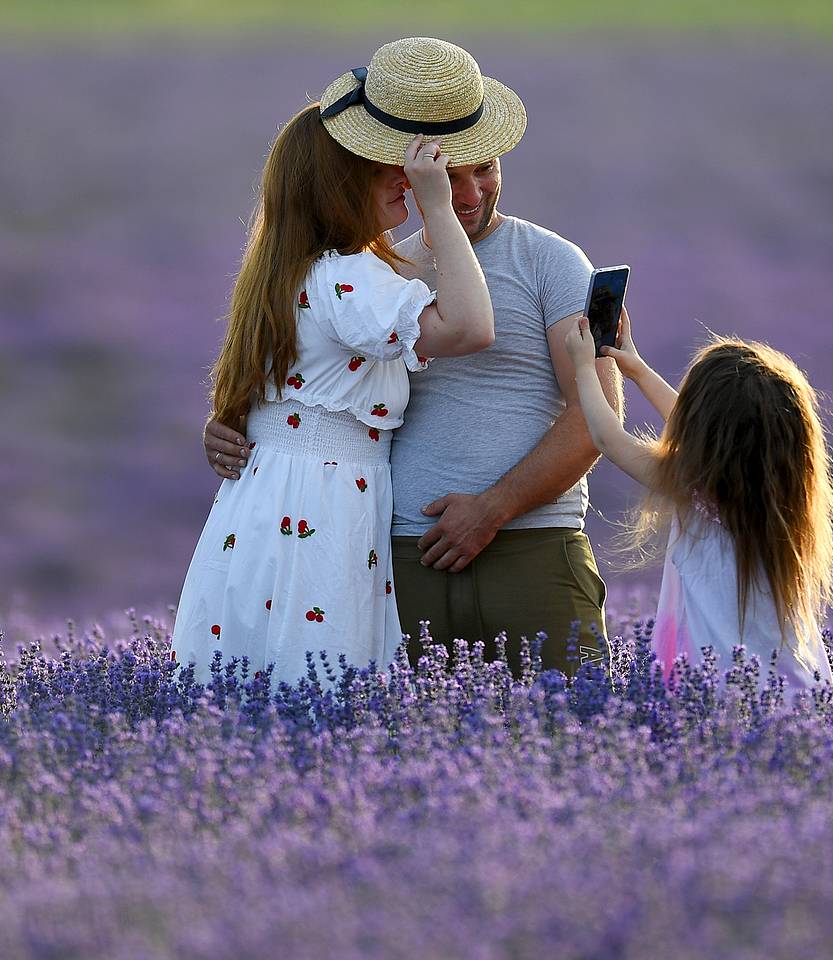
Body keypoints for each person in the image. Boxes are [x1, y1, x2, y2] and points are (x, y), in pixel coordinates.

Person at [202, 38, 622, 677]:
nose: (471, 190)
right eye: (447, 175)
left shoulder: (550, 262)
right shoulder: (377, 273)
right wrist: (237, 425)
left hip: (530, 546)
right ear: (406, 174)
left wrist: (495, 507)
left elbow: (598, 413)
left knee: (569, 736)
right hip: (399, 553)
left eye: (485, 167)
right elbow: (309, 377)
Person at [172, 72, 495, 683]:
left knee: (250, 681)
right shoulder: (349, 277)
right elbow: (472, 327)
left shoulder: (281, 273)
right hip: (323, 512)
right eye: (381, 169)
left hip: (263, 507)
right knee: (320, 683)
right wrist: (438, 208)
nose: (400, 177)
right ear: (339, 188)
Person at [565, 313, 833, 695]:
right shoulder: (785, 497)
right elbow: (704, 429)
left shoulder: (694, 490)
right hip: (795, 688)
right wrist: (638, 370)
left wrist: (583, 367)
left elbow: (608, 438)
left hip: (716, 691)